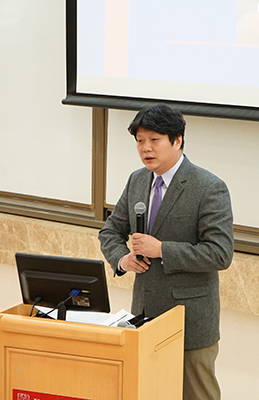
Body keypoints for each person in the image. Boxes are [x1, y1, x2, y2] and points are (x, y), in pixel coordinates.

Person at [98, 104, 234, 400]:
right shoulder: (137, 180)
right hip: (144, 316)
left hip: (189, 321)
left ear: (177, 140)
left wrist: (161, 249)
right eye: (139, 141)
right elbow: (110, 231)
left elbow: (220, 253)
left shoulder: (208, 187)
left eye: (154, 140)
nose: (145, 148)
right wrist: (122, 259)